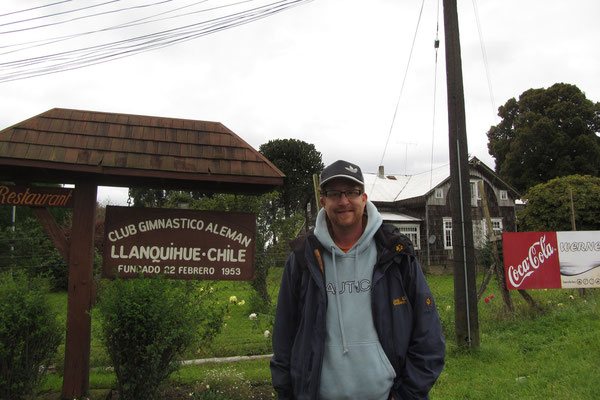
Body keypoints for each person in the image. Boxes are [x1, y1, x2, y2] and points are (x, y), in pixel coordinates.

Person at [270, 160, 445, 400]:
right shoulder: (304, 258)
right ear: (323, 202)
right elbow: (284, 334)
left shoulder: (395, 253)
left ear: (364, 198)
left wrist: (408, 394)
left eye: (351, 192)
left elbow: (428, 334)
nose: (343, 201)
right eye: (334, 194)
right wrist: (286, 392)